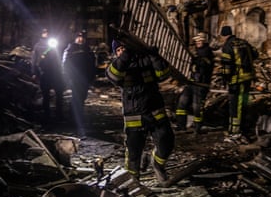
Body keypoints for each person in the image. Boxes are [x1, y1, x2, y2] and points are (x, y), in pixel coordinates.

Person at [106, 40, 175, 184]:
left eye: (124, 48)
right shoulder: (118, 66)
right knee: (133, 152)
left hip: (155, 110)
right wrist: (125, 56)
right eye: (118, 50)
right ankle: (133, 181)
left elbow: (164, 74)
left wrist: (154, 56)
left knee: (166, 142)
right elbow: (113, 76)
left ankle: (157, 164)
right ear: (115, 53)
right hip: (134, 115)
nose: (121, 51)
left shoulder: (146, 60)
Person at [220, 26, 258, 138]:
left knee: (236, 105)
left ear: (223, 35)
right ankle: (242, 127)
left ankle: (236, 131)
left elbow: (226, 67)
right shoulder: (244, 42)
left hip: (237, 80)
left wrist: (225, 80)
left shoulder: (227, 46)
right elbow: (255, 54)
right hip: (248, 78)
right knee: (244, 102)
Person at [175, 32, 214, 133]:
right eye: (196, 41)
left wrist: (198, 61)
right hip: (191, 83)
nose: (198, 42)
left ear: (204, 41)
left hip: (201, 84)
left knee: (197, 107)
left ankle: (198, 128)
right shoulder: (196, 52)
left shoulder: (207, 52)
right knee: (181, 104)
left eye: (200, 40)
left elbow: (205, 66)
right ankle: (181, 126)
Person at [62, 31, 96, 137]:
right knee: (76, 99)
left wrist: (91, 77)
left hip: (84, 79)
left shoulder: (87, 50)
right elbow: (65, 64)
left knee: (81, 98)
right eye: (78, 37)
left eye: (82, 37)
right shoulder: (70, 49)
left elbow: (92, 64)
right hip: (75, 79)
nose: (80, 39)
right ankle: (74, 119)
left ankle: (76, 117)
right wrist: (68, 77)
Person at [31, 28, 64, 124]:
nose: (46, 34)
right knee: (46, 95)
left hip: (56, 73)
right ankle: (46, 115)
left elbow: (60, 58)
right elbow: (34, 60)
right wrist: (34, 72)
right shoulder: (38, 46)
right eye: (44, 32)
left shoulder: (55, 44)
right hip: (44, 73)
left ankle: (59, 114)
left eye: (47, 32)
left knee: (59, 93)